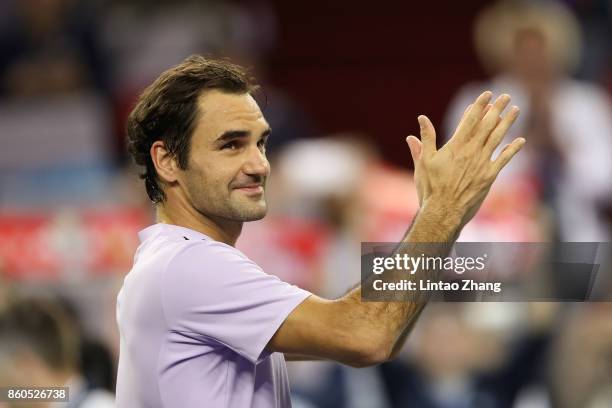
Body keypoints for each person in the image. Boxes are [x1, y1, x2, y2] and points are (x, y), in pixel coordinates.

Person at [116, 55, 524, 407]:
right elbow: (366, 334)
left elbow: (382, 335)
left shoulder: (174, 263)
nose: (260, 164)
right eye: (231, 145)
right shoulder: (190, 265)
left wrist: (437, 218)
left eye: (260, 143)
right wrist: (444, 211)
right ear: (167, 161)